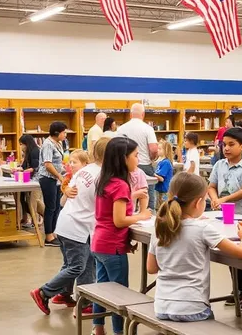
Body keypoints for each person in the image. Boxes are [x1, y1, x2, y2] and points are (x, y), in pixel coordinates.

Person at [147, 172, 242, 322]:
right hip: (193, 308)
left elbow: (151, 268)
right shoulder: (202, 229)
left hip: (162, 307)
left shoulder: (159, 227)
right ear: (198, 203)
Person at [30, 137, 108, 317]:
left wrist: (66, 191)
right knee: (77, 266)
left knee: (82, 263)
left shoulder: (85, 171)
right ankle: (44, 292)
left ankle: (68, 295)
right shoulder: (101, 176)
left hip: (66, 223)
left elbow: (64, 200)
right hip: (77, 228)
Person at [92, 137, 152, 335]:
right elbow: (119, 220)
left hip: (100, 243)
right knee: (119, 293)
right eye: (135, 156)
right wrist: (141, 215)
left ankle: (98, 328)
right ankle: (119, 331)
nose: (138, 159)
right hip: (112, 246)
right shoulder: (120, 185)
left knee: (102, 290)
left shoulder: (106, 179)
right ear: (123, 159)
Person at [207, 127, 242, 310]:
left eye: (231, 144)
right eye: (224, 144)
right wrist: (213, 198)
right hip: (224, 217)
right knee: (230, 253)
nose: (226, 148)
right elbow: (211, 186)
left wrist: (224, 198)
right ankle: (238, 289)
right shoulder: (219, 165)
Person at [117, 103, 158, 211]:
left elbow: (116, 148)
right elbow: (154, 149)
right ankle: (148, 219)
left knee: (126, 194)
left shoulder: (121, 129)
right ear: (143, 114)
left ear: (130, 115)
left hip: (124, 166)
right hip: (144, 164)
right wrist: (152, 158)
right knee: (147, 197)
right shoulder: (148, 128)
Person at [39, 121, 68, 247]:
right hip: (48, 178)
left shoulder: (59, 143)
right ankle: (48, 236)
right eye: (64, 132)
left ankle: (55, 233)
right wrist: (59, 176)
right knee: (50, 207)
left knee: (57, 206)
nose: (65, 135)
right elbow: (48, 164)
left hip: (56, 179)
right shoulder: (48, 144)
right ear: (57, 133)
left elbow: (58, 161)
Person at [19, 134, 43, 228]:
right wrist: (20, 168)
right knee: (23, 198)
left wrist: (29, 169)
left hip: (36, 180)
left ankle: (37, 220)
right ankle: (28, 219)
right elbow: (25, 166)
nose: (21, 146)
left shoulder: (35, 151)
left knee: (34, 201)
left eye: (22, 144)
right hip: (29, 179)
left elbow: (36, 167)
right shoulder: (28, 152)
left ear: (26, 144)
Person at [155, 140, 174, 207]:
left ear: (166, 150)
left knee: (164, 208)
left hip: (164, 191)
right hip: (159, 190)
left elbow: (161, 179)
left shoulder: (166, 162)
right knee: (159, 207)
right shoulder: (161, 162)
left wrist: (152, 174)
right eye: (158, 148)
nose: (158, 150)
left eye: (160, 149)